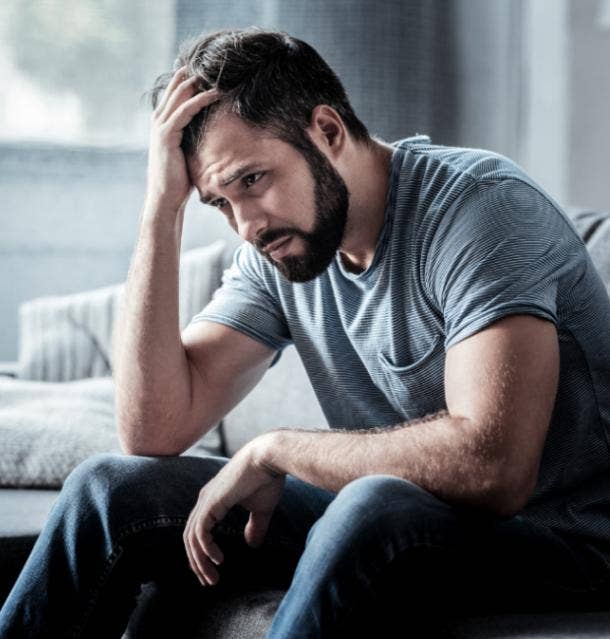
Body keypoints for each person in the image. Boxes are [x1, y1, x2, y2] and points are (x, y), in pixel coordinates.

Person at [2, 25, 610, 638]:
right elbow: (153, 428)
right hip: (395, 518)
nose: (244, 225)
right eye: (219, 202)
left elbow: (494, 469)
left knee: (372, 504)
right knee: (108, 490)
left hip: (566, 538)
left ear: (327, 131)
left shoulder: (481, 210)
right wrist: (161, 208)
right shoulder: (281, 249)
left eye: (251, 180)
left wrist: (277, 449)